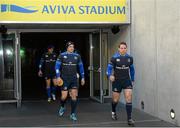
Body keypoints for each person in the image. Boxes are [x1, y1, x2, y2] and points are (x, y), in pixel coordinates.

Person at [106, 42, 135, 126]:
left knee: (128, 98)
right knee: (115, 100)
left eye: (124, 48)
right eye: (121, 48)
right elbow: (108, 69)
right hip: (117, 81)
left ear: (126, 49)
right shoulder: (114, 58)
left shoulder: (130, 58)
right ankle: (113, 111)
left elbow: (132, 69)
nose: (123, 49)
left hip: (127, 81)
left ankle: (129, 118)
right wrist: (110, 75)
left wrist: (132, 79)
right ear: (118, 49)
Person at [55, 41, 85, 121]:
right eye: (70, 46)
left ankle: (72, 113)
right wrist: (58, 77)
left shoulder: (77, 56)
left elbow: (81, 67)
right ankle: (62, 106)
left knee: (74, 96)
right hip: (64, 79)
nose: (72, 48)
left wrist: (82, 77)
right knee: (64, 96)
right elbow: (57, 67)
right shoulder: (62, 55)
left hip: (74, 79)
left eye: (73, 46)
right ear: (67, 47)